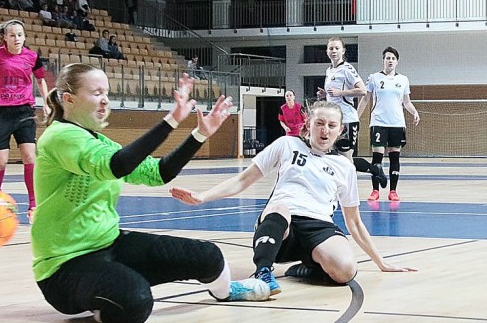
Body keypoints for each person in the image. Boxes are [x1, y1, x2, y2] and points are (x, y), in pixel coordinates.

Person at [31, 65, 269, 323]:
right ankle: (109, 300)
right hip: (63, 269)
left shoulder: (100, 143)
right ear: (69, 99)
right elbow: (117, 165)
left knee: (208, 256)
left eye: (106, 93)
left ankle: (226, 292)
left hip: (109, 244)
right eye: (96, 93)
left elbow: (159, 172)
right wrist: (172, 120)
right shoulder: (59, 136)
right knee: (135, 301)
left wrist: (200, 134)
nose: (105, 101)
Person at [171, 100, 416, 295]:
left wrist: (381, 262)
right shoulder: (287, 145)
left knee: (346, 270)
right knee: (280, 206)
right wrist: (203, 197)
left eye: (331, 126)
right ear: (308, 124)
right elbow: (242, 180)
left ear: (340, 130)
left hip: (318, 225)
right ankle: (263, 273)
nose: (325, 130)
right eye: (320, 123)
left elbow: (354, 222)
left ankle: (303, 269)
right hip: (281, 224)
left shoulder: (345, 167)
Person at [0, 20, 50, 223]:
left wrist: (46, 102)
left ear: (24, 37)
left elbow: (41, 79)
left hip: (24, 112)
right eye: (12, 35)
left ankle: (34, 205)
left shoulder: (32, 57)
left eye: (20, 35)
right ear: (4, 38)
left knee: (30, 157)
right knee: (0, 161)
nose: (16, 38)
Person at [316, 37, 387, 188]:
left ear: (343, 51)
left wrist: (340, 92)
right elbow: (333, 94)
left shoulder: (347, 69)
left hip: (347, 119)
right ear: (327, 51)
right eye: (331, 48)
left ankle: (349, 191)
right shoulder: (329, 70)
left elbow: (361, 90)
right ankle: (374, 169)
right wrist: (325, 94)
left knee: (346, 159)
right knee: (333, 157)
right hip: (334, 120)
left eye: (336, 48)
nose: (334, 51)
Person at [356, 46, 420, 202]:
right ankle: (375, 190)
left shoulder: (403, 79)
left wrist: (415, 112)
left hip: (397, 123)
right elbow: (365, 99)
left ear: (397, 62)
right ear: (383, 60)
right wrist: (355, 116)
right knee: (377, 158)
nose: (390, 60)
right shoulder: (374, 78)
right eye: (387, 58)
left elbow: (406, 102)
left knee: (394, 158)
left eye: (393, 58)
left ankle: (393, 191)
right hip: (378, 122)